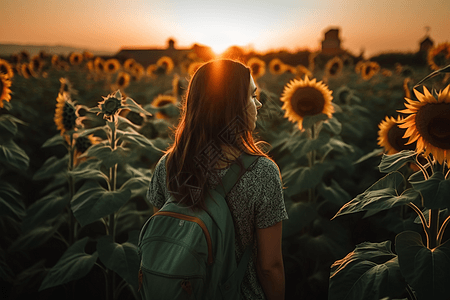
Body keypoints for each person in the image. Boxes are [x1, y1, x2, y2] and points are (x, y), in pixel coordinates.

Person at [146, 59, 288, 300]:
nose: (259, 103)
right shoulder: (262, 172)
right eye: (252, 96)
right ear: (232, 106)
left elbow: (161, 242)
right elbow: (269, 267)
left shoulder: (168, 166)